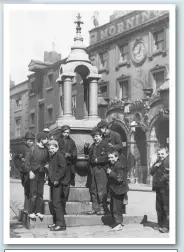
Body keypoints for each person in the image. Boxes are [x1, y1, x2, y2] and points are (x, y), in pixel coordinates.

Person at [97, 120, 128, 205]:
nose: (101, 132)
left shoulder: (115, 135)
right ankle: (110, 196)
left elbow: (120, 145)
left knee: (122, 178)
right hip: (110, 160)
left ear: (105, 128)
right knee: (110, 178)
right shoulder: (103, 137)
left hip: (119, 159)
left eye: (101, 130)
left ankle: (125, 197)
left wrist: (113, 146)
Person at [85, 127, 109, 215]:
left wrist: (98, 160)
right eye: (94, 137)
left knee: (101, 189)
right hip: (92, 169)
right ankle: (95, 208)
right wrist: (86, 148)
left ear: (101, 136)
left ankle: (102, 208)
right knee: (93, 189)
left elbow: (109, 156)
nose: (95, 138)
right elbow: (89, 155)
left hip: (101, 169)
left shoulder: (105, 144)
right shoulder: (93, 145)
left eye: (97, 136)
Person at [25, 131, 49, 219]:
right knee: (33, 193)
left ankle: (38, 211)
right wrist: (30, 171)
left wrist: (47, 172)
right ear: (41, 139)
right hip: (34, 173)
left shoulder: (46, 149)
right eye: (46, 138)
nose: (47, 140)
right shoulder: (33, 148)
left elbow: (47, 162)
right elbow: (27, 162)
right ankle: (31, 212)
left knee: (40, 193)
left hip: (42, 173)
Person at [47, 140, 69, 231]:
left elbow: (63, 168)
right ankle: (57, 222)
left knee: (56, 203)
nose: (51, 150)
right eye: (49, 148)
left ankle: (61, 225)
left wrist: (57, 179)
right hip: (53, 182)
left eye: (52, 148)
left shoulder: (59, 155)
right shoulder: (53, 156)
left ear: (57, 148)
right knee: (54, 203)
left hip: (58, 183)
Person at [13, 132, 35, 212]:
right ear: (26, 140)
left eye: (32, 141)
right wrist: (20, 167)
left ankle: (30, 208)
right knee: (27, 190)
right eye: (29, 141)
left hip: (33, 171)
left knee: (32, 190)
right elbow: (15, 159)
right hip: (24, 172)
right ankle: (27, 208)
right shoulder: (21, 148)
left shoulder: (34, 148)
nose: (30, 142)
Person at [107, 151, 129, 231]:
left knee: (116, 208)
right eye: (109, 157)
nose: (110, 159)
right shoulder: (113, 165)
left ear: (116, 157)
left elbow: (120, 178)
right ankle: (117, 223)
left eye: (112, 157)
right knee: (114, 207)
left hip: (119, 190)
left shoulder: (118, 165)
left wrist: (111, 173)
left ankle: (118, 224)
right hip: (115, 189)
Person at [57, 125, 77, 213]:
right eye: (64, 132)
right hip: (59, 167)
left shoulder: (71, 141)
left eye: (68, 132)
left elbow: (74, 151)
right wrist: (63, 154)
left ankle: (63, 207)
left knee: (66, 188)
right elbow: (55, 150)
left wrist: (71, 155)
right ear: (62, 132)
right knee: (58, 188)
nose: (66, 134)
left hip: (68, 167)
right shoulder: (57, 141)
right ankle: (58, 208)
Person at [150, 146, 169, 233]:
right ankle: (160, 224)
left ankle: (166, 226)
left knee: (166, 207)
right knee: (159, 207)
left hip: (166, 188)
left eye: (162, 154)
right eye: (159, 154)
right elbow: (151, 172)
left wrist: (160, 181)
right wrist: (155, 166)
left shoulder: (169, 161)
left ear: (167, 153)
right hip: (159, 188)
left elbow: (168, 175)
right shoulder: (158, 161)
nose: (161, 155)